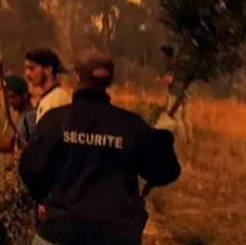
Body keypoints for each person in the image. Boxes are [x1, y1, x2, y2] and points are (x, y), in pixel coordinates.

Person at [19, 50, 181, 245]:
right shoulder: (130, 126)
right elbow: (165, 171)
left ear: (77, 75)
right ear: (109, 81)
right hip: (114, 235)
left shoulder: (55, 121)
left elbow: (29, 169)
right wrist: (164, 136)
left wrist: (46, 197)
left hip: (59, 231)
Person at [24, 49, 71, 123]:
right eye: (26, 68)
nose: (27, 74)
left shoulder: (56, 101)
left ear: (48, 70)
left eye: (31, 68)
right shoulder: (48, 98)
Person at [159, 45, 193, 143]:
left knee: (176, 118)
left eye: (162, 53)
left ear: (165, 54)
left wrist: (160, 80)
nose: (161, 55)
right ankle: (190, 139)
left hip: (175, 94)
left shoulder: (170, 64)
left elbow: (170, 80)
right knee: (186, 118)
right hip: (185, 92)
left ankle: (181, 141)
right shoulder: (180, 63)